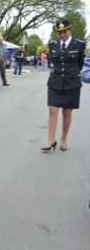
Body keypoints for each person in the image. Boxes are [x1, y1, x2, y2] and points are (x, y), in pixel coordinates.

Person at [41, 18, 86, 152]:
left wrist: (72, 73)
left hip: (71, 82)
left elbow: (80, 64)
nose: (62, 35)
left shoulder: (79, 44)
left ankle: (64, 138)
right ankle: (50, 140)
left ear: (69, 30)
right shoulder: (53, 44)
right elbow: (53, 62)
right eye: (59, 32)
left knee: (67, 112)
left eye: (64, 31)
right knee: (52, 110)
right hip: (55, 81)